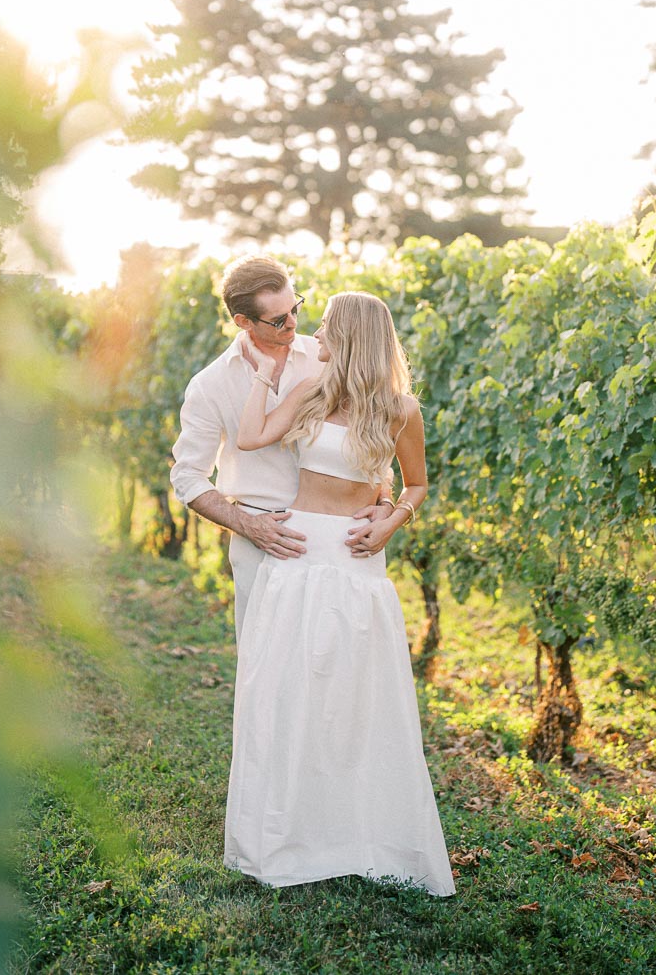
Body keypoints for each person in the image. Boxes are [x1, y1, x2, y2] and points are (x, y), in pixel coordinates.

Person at [223, 291, 455, 896]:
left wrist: (390, 520)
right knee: (285, 694)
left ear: (351, 337)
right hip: (296, 554)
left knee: (354, 702)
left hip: (354, 562)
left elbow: (418, 484)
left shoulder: (401, 410)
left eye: (324, 328)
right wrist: (266, 376)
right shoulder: (309, 392)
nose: (313, 337)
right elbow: (250, 438)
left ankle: (358, 837)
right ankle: (286, 837)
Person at [169, 258, 397, 643]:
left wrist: (387, 503)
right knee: (267, 663)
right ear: (243, 322)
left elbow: (371, 441)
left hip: (335, 539)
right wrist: (247, 526)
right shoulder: (210, 385)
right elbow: (188, 476)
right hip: (261, 539)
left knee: (338, 658)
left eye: (295, 308)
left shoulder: (329, 361)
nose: (293, 323)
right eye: (278, 320)